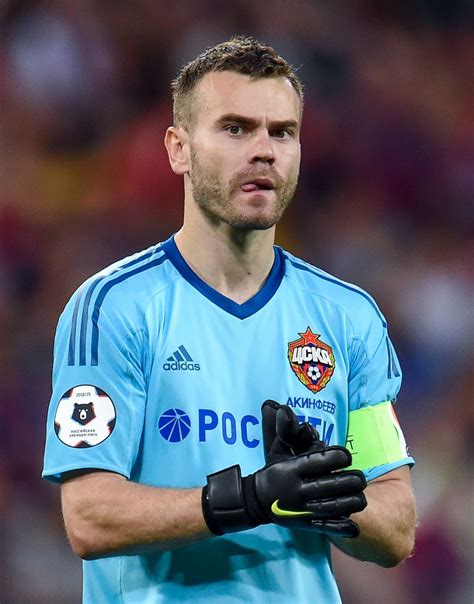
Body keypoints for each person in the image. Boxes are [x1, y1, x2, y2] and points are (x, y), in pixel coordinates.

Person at [42, 36, 416, 603]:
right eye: (236, 128)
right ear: (178, 149)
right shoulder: (113, 307)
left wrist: (323, 491)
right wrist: (252, 498)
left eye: (281, 132)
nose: (264, 149)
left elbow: (397, 530)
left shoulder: (347, 317)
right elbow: (89, 518)